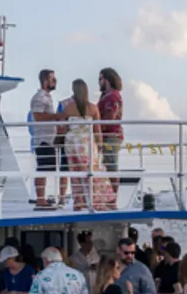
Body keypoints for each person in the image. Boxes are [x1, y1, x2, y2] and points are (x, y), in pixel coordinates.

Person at [59, 78, 100, 210]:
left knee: (75, 173)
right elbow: (97, 131)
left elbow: (63, 128)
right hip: (86, 143)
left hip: (72, 143)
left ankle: (79, 202)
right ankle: (92, 201)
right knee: (90, 173)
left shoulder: (68, 108)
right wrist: (100, 146)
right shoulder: (93, 108)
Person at [29, 69, 63, 209]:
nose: (55, 82)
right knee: (43, 168)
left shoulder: (46, 97)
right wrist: (56, 117)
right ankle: (40, 199)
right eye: (52, 79)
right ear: (45, 81)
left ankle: (41, 198)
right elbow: (37, 117)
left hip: (48, 139)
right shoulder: (39, 97)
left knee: (47, 167)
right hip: (43, 138)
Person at [97, 67, 124, 178]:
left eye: (100, 79)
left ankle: (113, 193)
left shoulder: (112, 96)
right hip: (107, 135)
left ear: (107, 79)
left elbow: (110, 116)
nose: (98, 82)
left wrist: (97, 129)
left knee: (110, 166)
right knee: (107, 165)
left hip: (110, 135)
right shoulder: (105, 96)